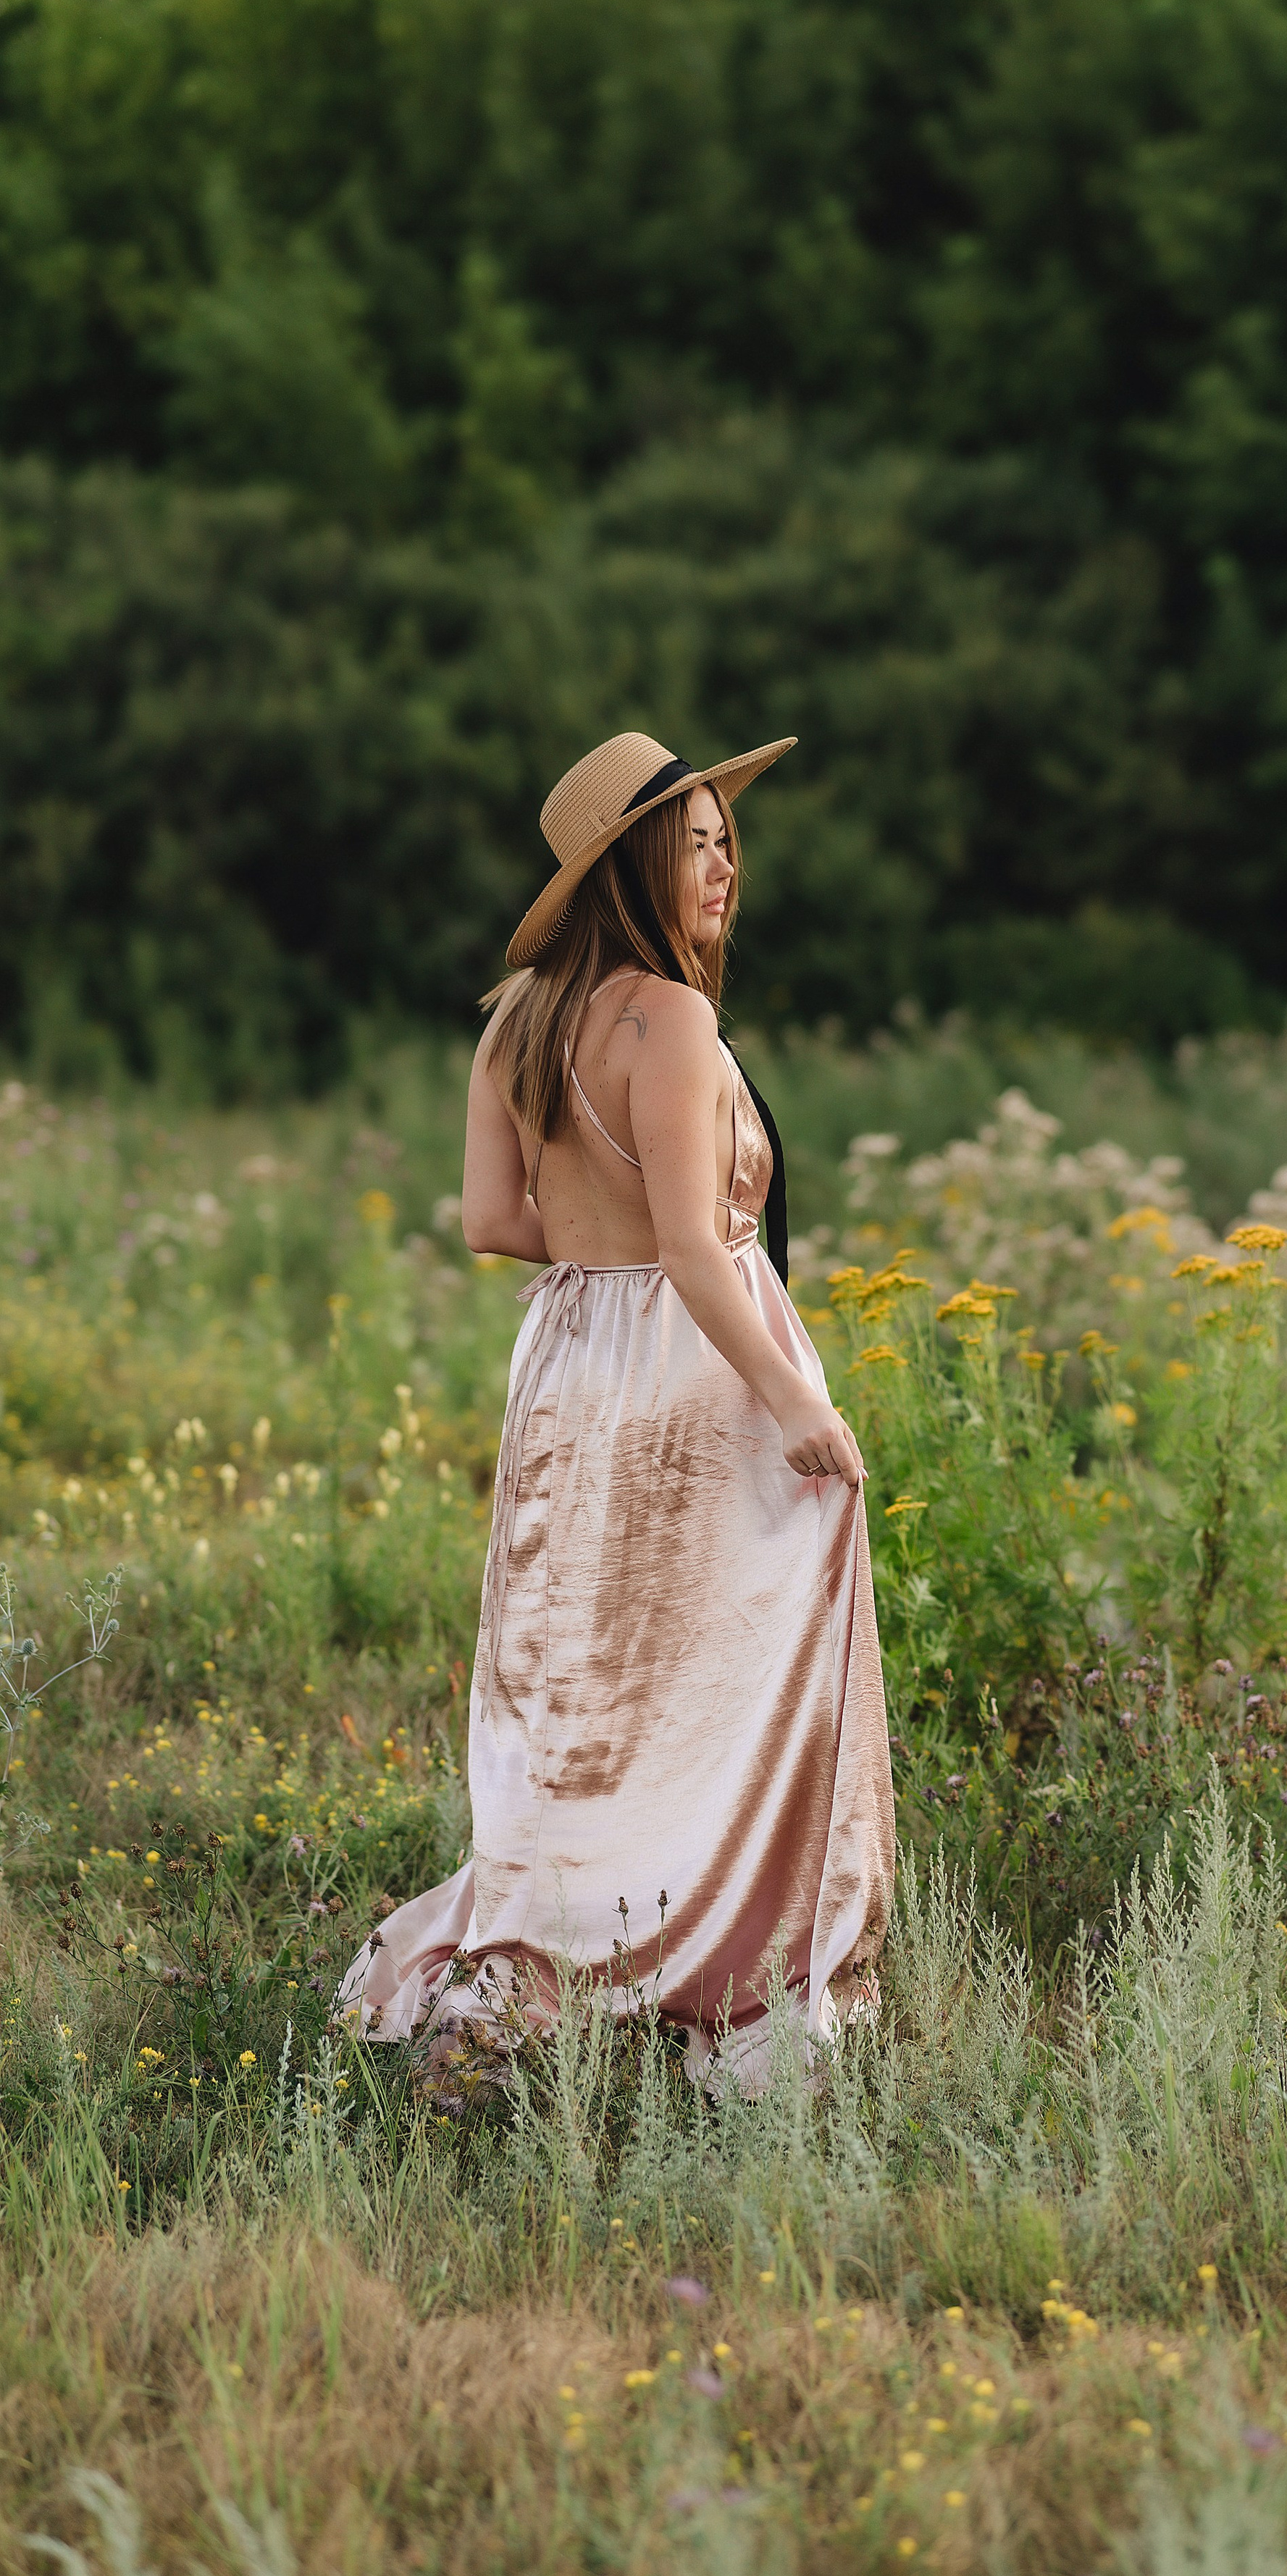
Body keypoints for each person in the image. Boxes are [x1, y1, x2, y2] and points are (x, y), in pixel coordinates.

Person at [335, 730, 894, 2107]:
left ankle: (540, 1978)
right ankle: (708, 1974)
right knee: (739, 1685)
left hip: (569, 1367)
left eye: (725, 840)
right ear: (637, 864)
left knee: (578, 1682)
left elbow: (490, 1221)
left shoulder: (516, 1019)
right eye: (696, 841)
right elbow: (702, 1254)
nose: (725, 866)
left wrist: (595, 1269)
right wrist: (799, 1403)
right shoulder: (673, 1020)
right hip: (696, 1374)